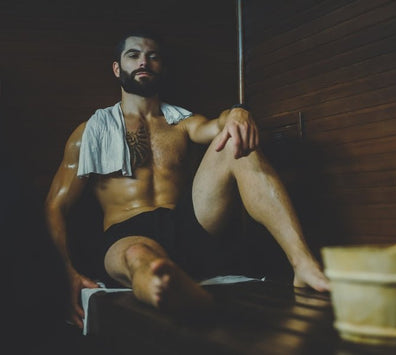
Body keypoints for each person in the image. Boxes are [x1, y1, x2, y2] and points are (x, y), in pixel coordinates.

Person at [45, 29, 330, 329]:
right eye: (134, 55)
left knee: (235, 141)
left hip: (188, 225)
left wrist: (236, 114)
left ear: (161, 67)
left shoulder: (181, 123)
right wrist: (65, 271)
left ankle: (303, 263)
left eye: (152, 56)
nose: (144, 61)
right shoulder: (90, 132)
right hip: (127, 234)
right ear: (117, 68)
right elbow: (54, 206)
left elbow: (217, 125)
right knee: (139, 257)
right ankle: (169, 286)